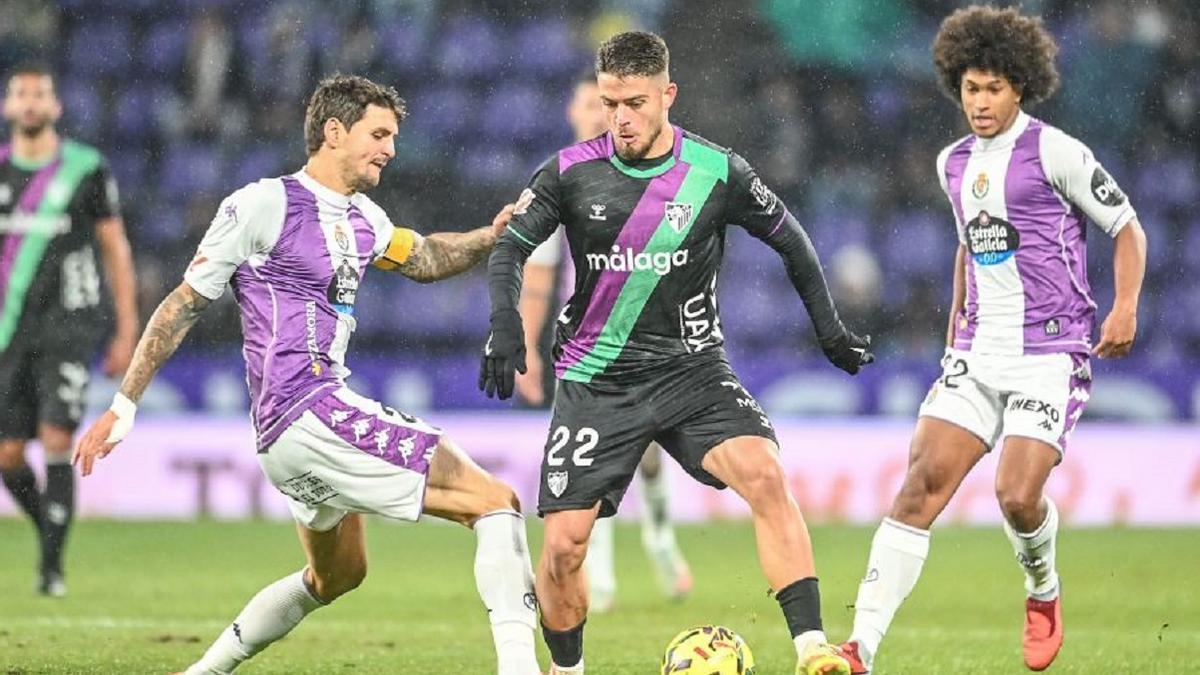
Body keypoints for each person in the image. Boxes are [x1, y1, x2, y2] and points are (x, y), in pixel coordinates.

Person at [73, 75, 541, 675]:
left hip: (288, 434)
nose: (390, 148)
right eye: (379, 134)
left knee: (337, 575)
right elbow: (184, 304)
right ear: (334, 131)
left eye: (393, 137)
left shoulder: (365, 218)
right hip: (307, 408)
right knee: (496, 502)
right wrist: (125, 406)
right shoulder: (263, 204)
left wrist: (492, 236)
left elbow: (425, 258)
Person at [480, 31, 873, 675]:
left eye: (634, 103)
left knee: (767, 476)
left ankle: (813, 652)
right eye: (609, 103)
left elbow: (793, 241)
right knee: (562, 548)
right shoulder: (571, 171)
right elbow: (511, 248)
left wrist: (828, 330)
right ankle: (569, 670)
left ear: (668, 95)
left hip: (691, 370)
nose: (620, 119)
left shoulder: (718, 170)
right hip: (597, 379)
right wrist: (504, 326)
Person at [838, 6, 1147, 674]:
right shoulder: (953, 163)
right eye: (971, 88)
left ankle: (1043, 589)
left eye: (994, 89)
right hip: (977, 354)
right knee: (919, 486)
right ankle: (859, 647)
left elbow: (1127, 227)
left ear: (1020, 88)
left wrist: (1124, 306)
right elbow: (969, 247)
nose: (979, 102)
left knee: (1016, 494)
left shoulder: (1057, 152)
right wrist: (958, 322)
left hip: (1049, 353)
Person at [516, 72, 691, 614]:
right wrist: (525, 349)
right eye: (591, 103)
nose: (601, 113)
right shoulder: (562, 179)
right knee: (598, 462)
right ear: (574, 112)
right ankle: (605, 578)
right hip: (589, 341)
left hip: (653, 339)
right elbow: (540, 275)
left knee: (653, 458)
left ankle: (660, 536)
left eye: (608, 103)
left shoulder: (655, 169)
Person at [0, 62, 137, 597]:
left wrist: (127, 329)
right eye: (21, 94)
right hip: (9, 330)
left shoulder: (85, 169)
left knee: (58, 438)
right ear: (10, 107)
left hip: (68, 328)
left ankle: (51, 570)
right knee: (8, 456)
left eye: (40, 94)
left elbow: (115, 250)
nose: (31, 102)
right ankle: (49, 532)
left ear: (55, 107)